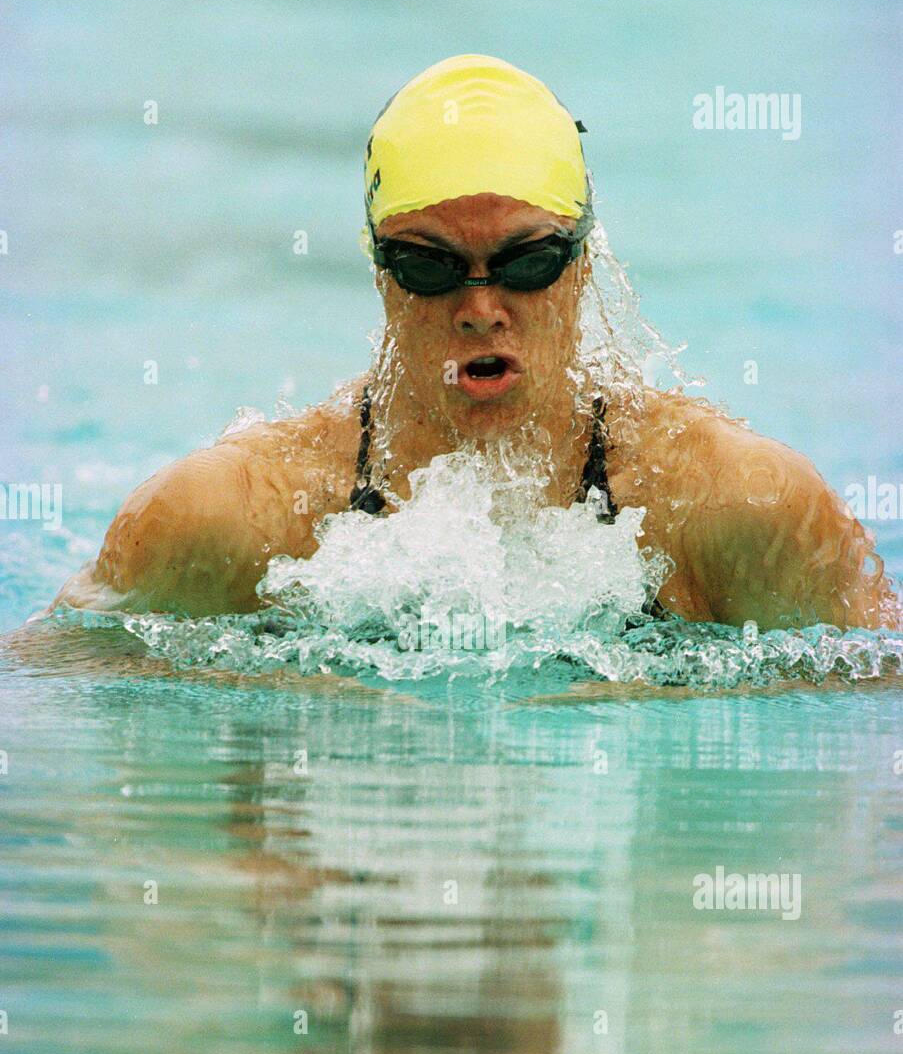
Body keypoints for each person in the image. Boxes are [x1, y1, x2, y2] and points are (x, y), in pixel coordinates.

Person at [55, 55, 896, 630]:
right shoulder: (227, 521)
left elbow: (863, 758)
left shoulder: (735, 506)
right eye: (429, 267)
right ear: (379, 269)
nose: (481, 307)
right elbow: (63, 718)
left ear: (580, 259)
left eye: (527, 262)